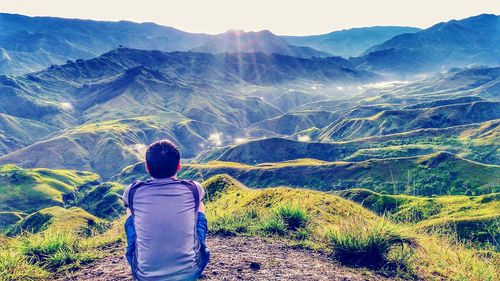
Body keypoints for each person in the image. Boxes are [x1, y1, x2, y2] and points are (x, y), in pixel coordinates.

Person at [122, 140, 210, 280]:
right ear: (179, 165)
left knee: (130, 209)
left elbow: (126, 203)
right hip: (190, 273)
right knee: (199, 203)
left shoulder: (132, 191)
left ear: (147, 167)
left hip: (145, 276)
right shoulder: (194, 188)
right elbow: (200, 197)